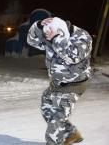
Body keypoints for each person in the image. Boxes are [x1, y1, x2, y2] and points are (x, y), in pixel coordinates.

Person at [27, 11, 92, 145]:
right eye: (47, 36)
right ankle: (70, 134)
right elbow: (31, 40)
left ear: (62, 31)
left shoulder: (83, 37)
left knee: (56, 119)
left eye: (49, 36)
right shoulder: (50, 34)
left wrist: (56, 38)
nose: (47, 38)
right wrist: (38, 25)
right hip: (57, 82)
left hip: (74, 85)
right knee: (47, 107)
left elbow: (72, 57)